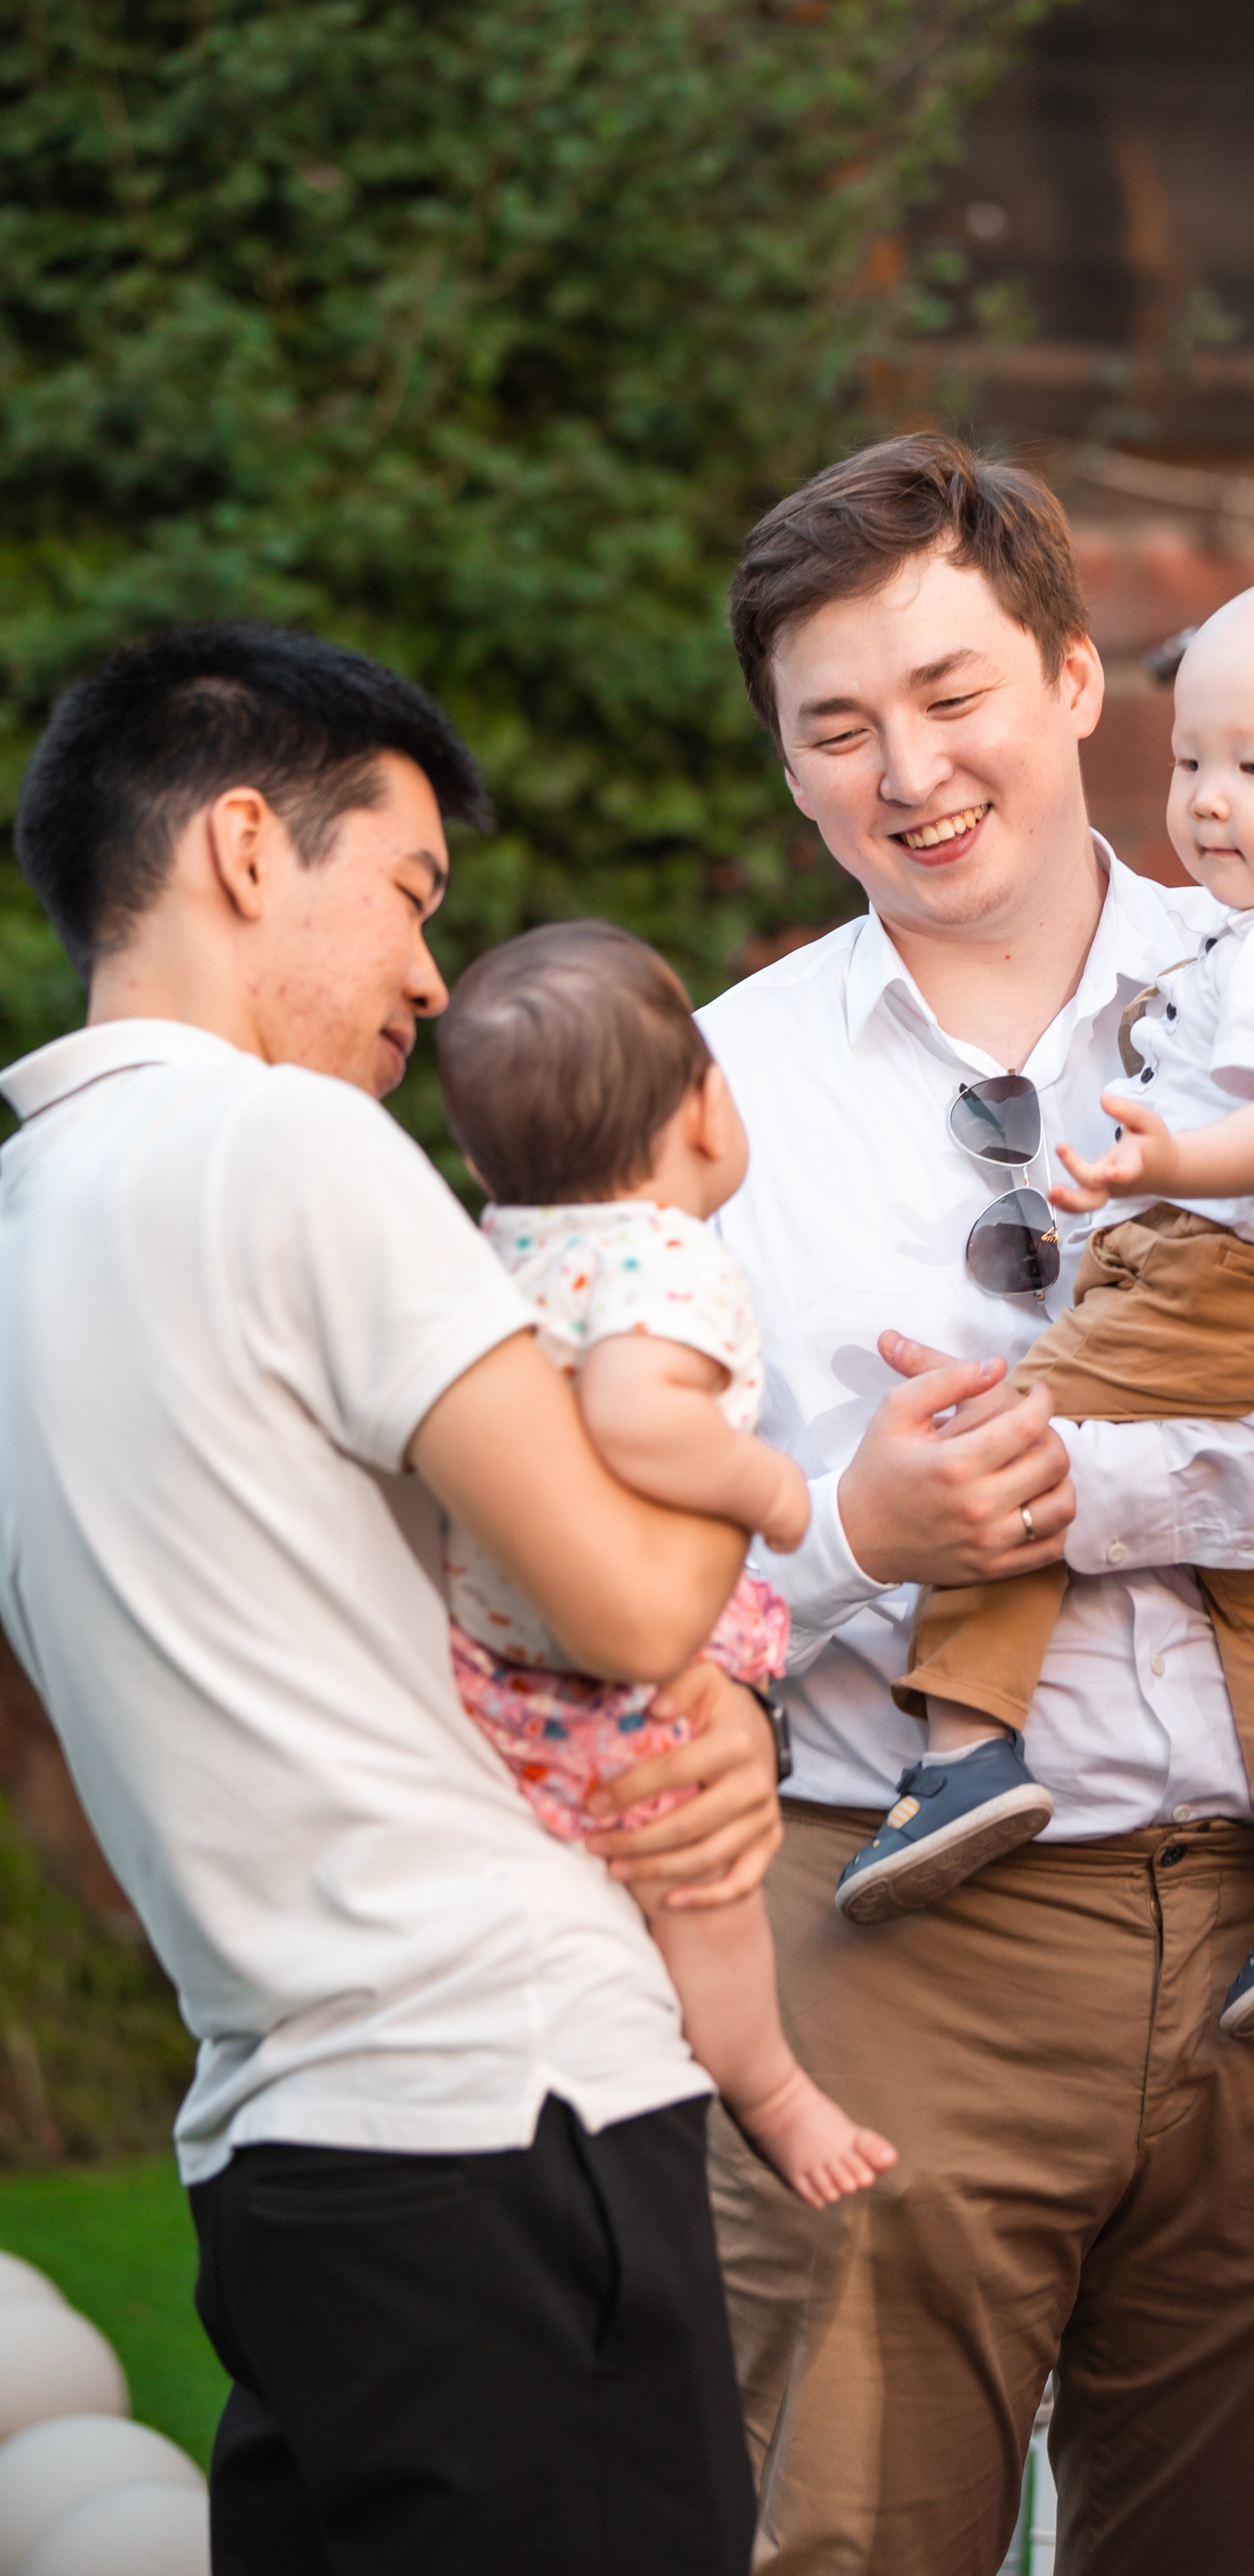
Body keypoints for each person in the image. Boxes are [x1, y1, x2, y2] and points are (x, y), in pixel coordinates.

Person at [699, 430, 1254, 2576]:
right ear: (789, 766)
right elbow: (604, 1573)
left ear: (1078, 679)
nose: (912, 771)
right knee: (851, 2544)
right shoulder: (712, 1092)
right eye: (839, 727)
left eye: (954, 692)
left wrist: (1122, 1490)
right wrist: (857, 1534)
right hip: (894, 1941)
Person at [0, 624, 783, 2575]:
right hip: (505, 2110)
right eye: (412, 893)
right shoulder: (290, 1144)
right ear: (245, 847)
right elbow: (627, 1605)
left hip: (281, 2159)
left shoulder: (28, 1227)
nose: (434, 976)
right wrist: (793, 1506)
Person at [858, 567, 1254, 2047]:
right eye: (1192, 760)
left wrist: (1167, 1162)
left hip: (1225, 1266)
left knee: (1005, 1451)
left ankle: (965, 1749)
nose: (1204, 802)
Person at [435, 918, 897, 2207]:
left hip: (497, 1656)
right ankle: (772, 2090)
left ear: (480, 1154)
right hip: (630, 1685)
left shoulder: (493, 1248)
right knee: (707, 1895)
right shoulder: (668, 1260)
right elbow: (639, 1417)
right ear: (705, 1112)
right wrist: (767, 1490)